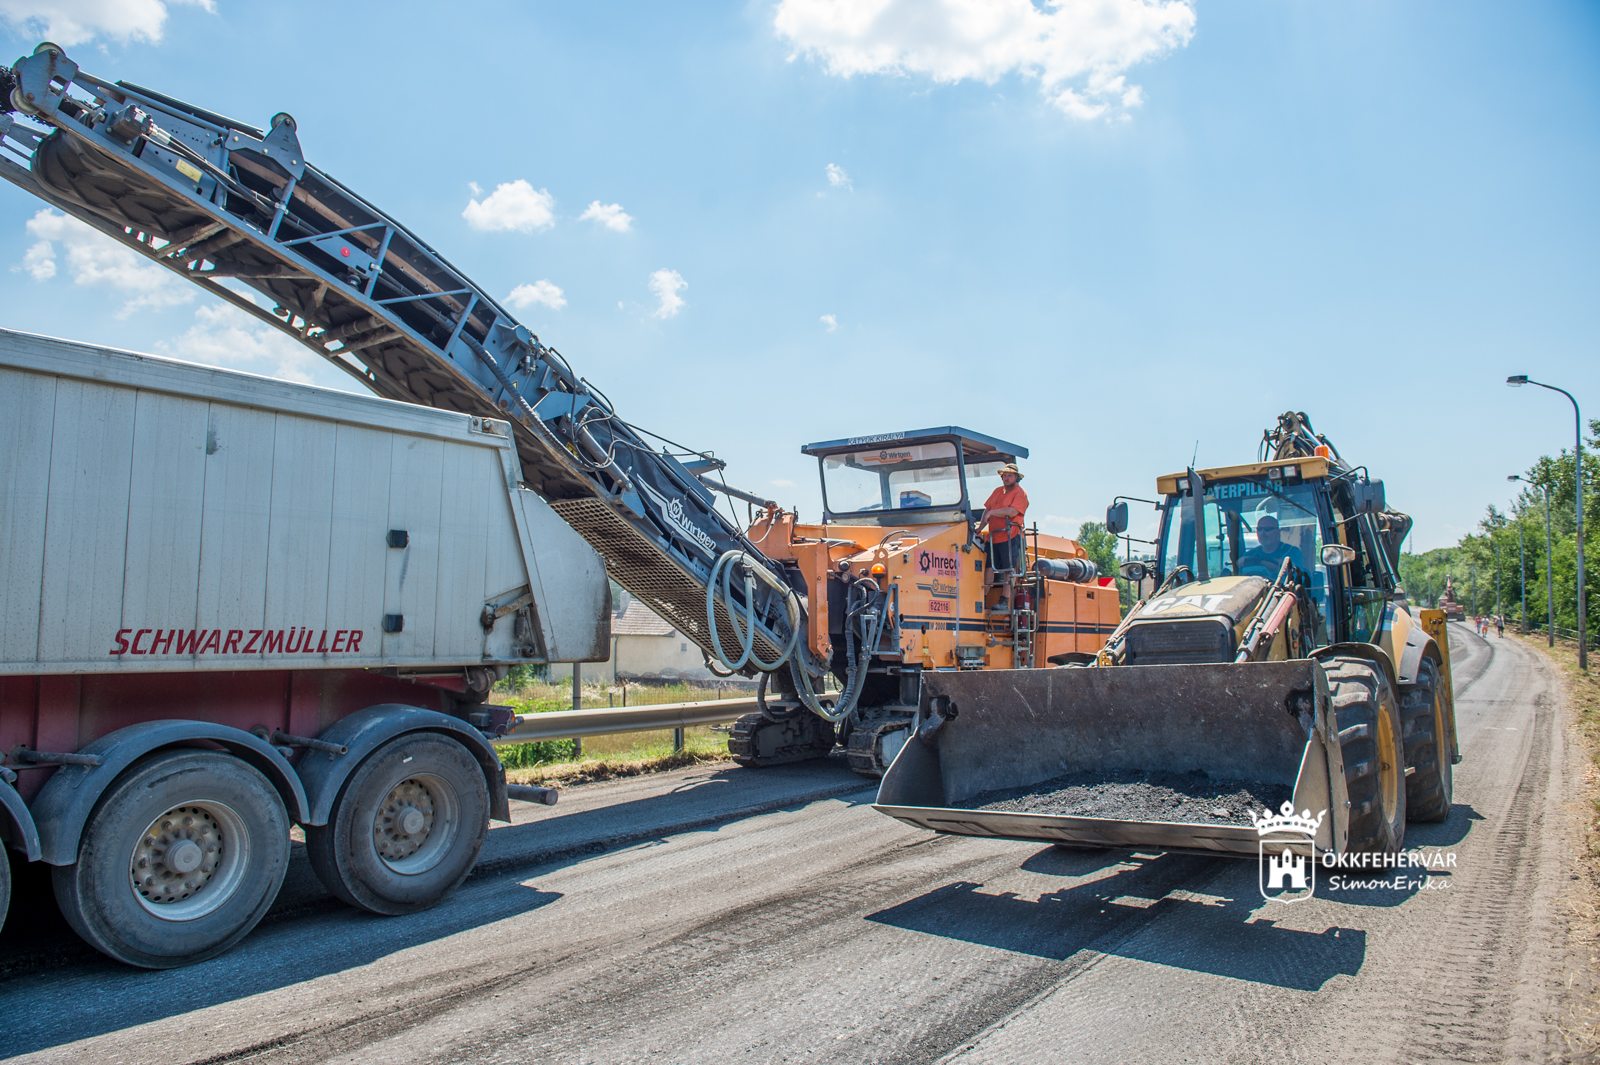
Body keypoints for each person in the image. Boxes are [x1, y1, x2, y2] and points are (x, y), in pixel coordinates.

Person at [977, 463, 1028, 575]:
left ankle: (1006, 593)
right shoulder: (997, 491)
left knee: (1009, 569)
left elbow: (1012, 511)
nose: (1007, 478)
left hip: (1010, 536)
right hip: (993, 537)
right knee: (988, 567)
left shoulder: (1020, 493)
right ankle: (985, 593)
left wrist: (992, 512)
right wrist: (980, 528)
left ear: (1016, 478)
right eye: (1005, 476)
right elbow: (987, 510)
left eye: (1010, 476)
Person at [1238, 514, 1305, 579]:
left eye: (1267, 529)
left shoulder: (1291, 551)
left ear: (1278, 532)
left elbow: (1294, 575)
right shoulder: (1250, 554)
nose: (1262, 532)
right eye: (1259, 529)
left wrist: (1259, 561)